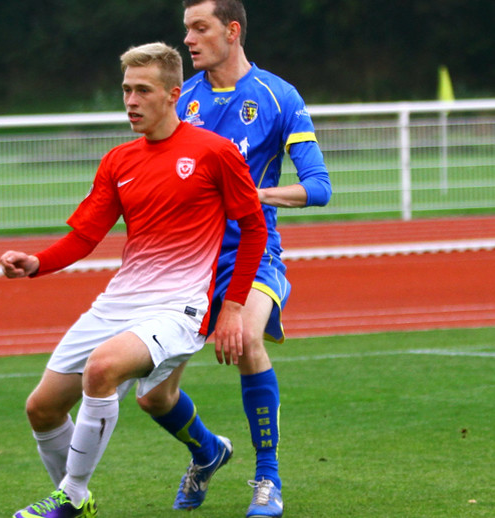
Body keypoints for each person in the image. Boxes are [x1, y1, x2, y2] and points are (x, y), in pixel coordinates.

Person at [1, 41, 268, 518]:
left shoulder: (215, 152)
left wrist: (231, 308)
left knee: (102, 369)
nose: (131, 101)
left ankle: (73, 497)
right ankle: (72, 498)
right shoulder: (118, 161)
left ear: (173, 94)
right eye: (126, 90)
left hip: (180, 308)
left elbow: (254, 228)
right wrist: (37, 262)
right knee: (41, 408)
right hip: (119, 302)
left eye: (143, 90)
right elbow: (85, 236)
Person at [137, 2, 333, 517]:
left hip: (254, 249)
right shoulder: (182, 99)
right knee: (152, 397)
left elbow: (318, 187)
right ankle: (207, 451)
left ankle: (268, 478)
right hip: (188, 261)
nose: (188, 40)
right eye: (186, 29)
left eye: (199, 28)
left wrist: (251, 196)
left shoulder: (278, 96)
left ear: (232, 30)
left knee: (245, 337)